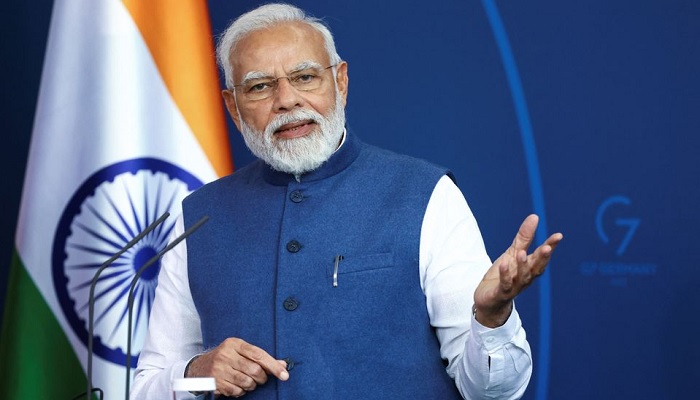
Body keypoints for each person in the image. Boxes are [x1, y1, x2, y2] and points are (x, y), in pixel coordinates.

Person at [131, 3, 563, 399]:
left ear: (340, 81)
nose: (286, 101)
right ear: (233, 106)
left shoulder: (425, 195)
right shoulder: (197, 217)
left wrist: (491, 319)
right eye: (260, 87)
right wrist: (196, 371)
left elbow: (493, 391)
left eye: (304, 77)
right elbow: (148, 384)